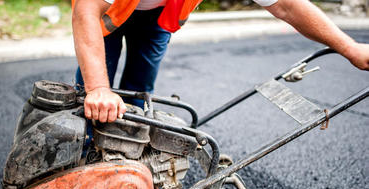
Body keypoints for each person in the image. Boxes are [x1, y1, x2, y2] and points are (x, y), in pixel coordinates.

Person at [72, 0, 369, 123]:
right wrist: (98, 87)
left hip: (159, 16)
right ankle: (71, 161)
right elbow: (86, 10)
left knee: (138, 89)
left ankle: (122, 162)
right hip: (104, 13)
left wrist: (350, 47)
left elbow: (288, 6)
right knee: (91, 94)